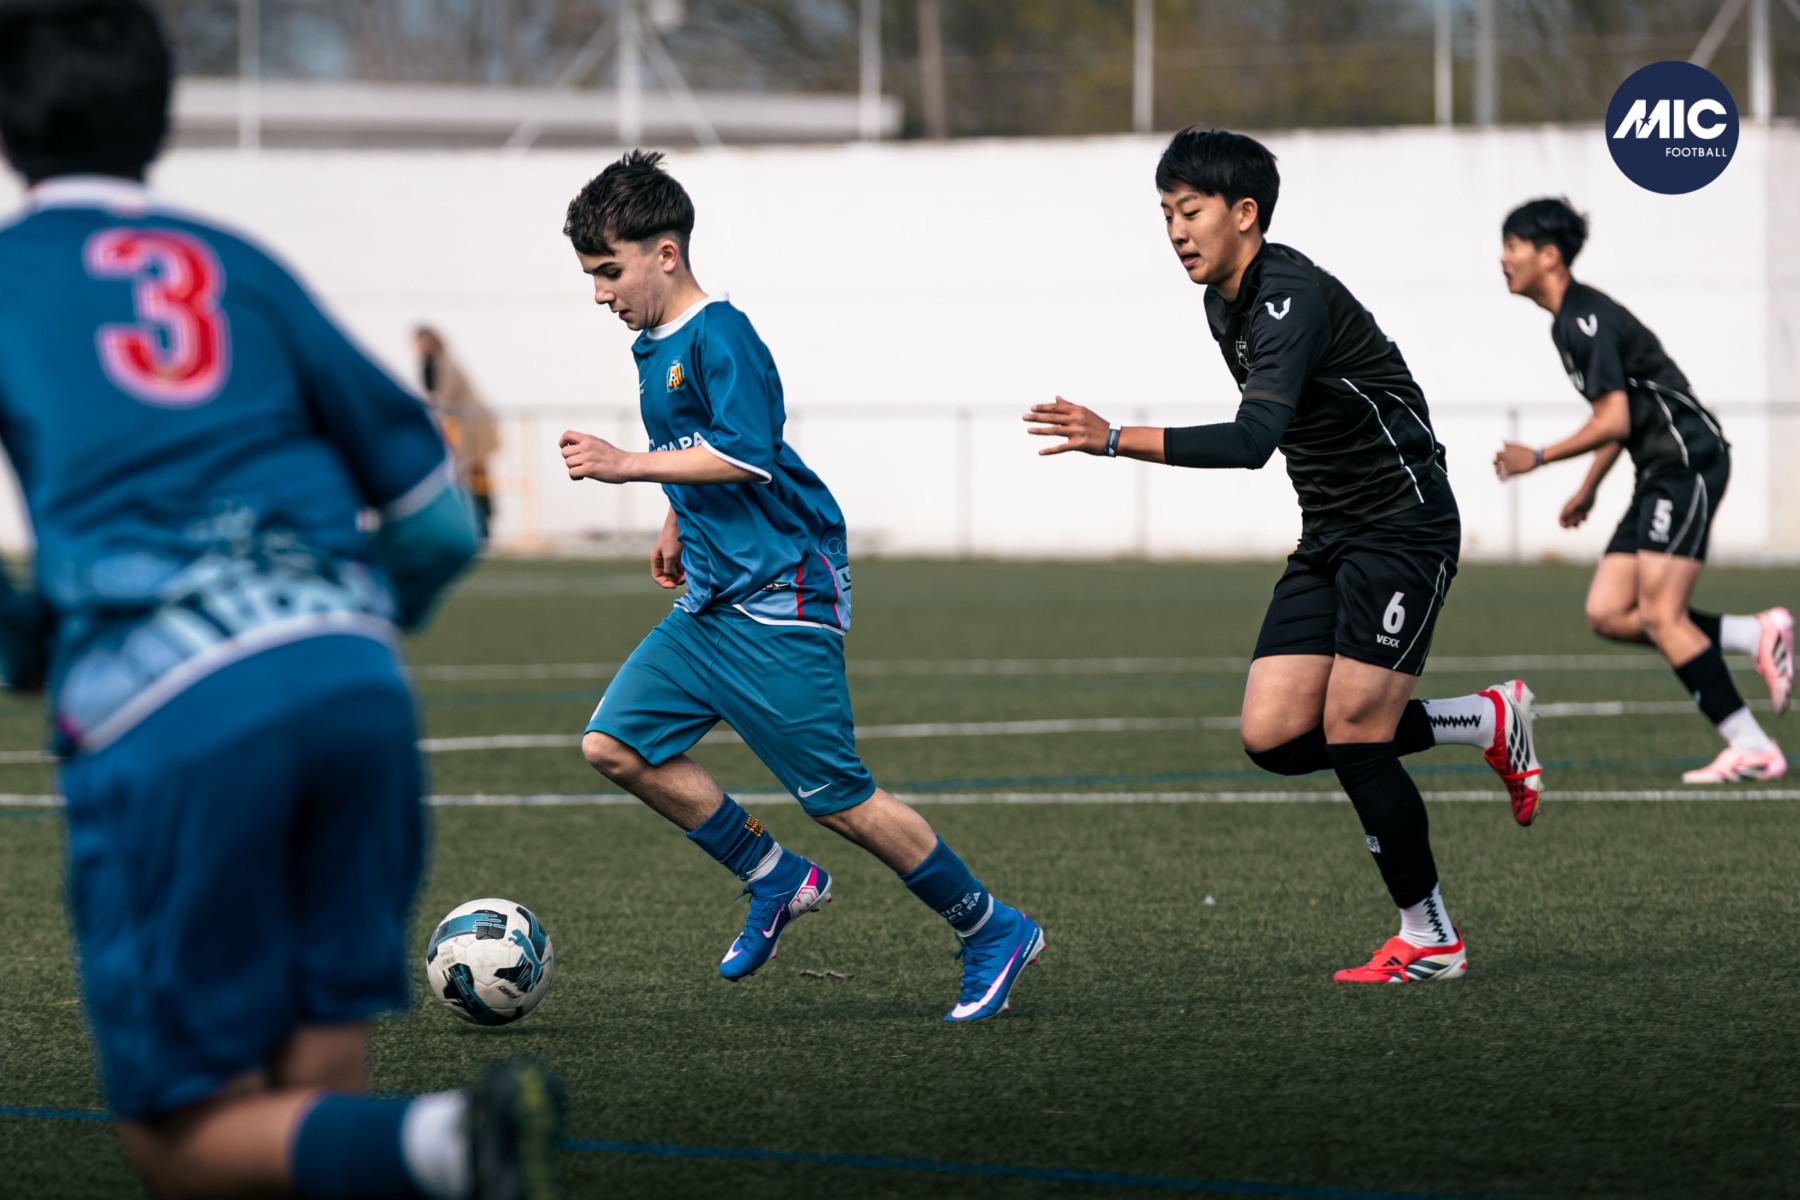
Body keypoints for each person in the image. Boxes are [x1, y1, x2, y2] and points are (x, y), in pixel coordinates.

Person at [0, 3, 561, 1197]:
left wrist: (24, 641)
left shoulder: (12, 276)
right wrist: (335, 620)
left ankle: (449, 1145)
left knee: (182, 1142)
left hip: (167, 705)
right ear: (162, 118)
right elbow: (437, 519)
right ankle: (424, 1154)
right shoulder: (242, 267)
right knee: (317, 1104)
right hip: (351, 683)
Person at [1025, 127, 1542, 985]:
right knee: (1273, 735)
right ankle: (1486, 720)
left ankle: (1431, 937)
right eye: (1166, 214)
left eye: (1190, 211)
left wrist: (1113, 437)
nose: (1176, 230)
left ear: (1244, 213)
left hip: (1402, 525)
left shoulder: (1287, 296)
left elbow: (1252, 441)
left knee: (1355, 734)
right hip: (1331, 532)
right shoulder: (1221, 302)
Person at [556, 150, 1042, 1021]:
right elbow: (700, 446)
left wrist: (625, 465)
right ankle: (773, 875)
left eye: (609, 271)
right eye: (591, 274)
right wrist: (676, 519)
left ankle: (991, 927)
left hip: (780, 599)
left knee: (841, 801)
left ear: (665, 253)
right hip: (710, 604)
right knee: (614, 746)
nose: (599, 293)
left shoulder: (722, 334)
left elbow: (745, 452)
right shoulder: (653, 345)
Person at [1494, 197, 1791, 784]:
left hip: (1688, 462)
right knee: (1608, 612)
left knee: (1660, 613)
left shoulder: (1584, 318)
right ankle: (1753, 633)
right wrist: (1589, 486)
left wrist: (1540, 457)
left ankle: (1753, 746)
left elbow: (1613, 419)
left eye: (1512, 246)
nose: (1502, 259)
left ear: (1548, 256)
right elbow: (1621, 416)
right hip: (1656, 469)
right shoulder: (1570, 321)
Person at [415, 326, 501, 541]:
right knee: (467, 475)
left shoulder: (444, 363)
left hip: (471, 426)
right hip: (459, 426)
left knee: (472, 474)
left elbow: (443, 397)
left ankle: (482, 527)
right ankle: (477, 526)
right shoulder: (429, 363)